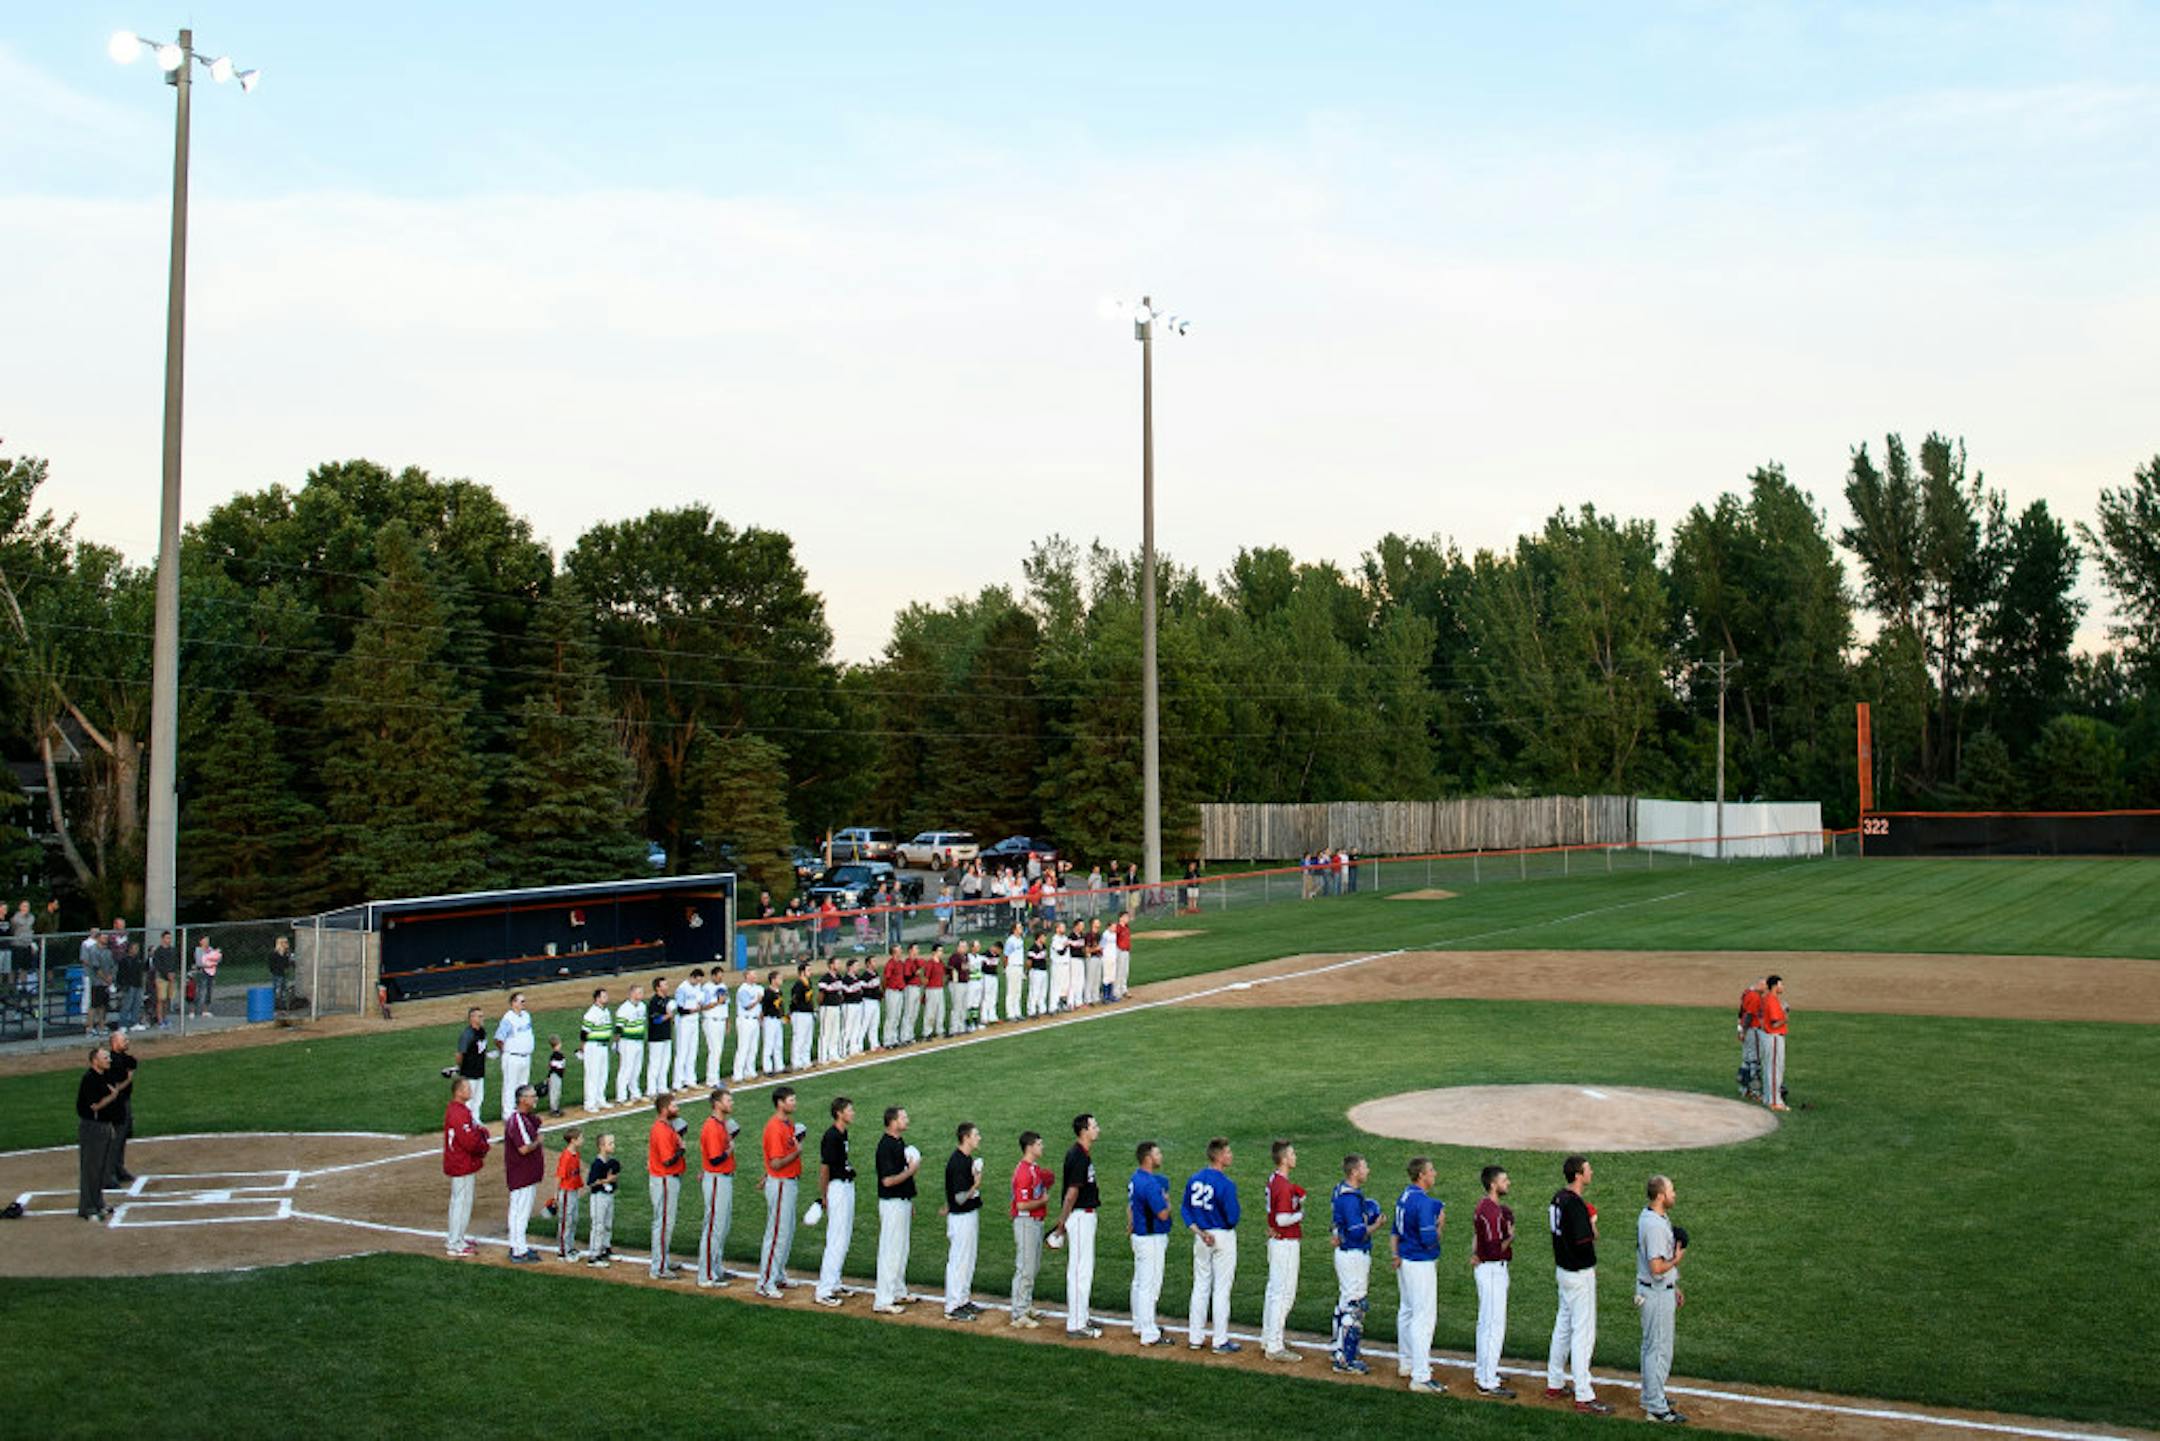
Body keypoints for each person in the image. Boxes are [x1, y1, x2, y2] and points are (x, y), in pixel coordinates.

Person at [1544, 1154, 1611, 1413]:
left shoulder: (1557, 1199)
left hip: (1563, 1271)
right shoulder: (1575, 1205)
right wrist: (1593, 1223)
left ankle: (1555, 1382)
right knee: (1583, 1334)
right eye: (1588, 1169)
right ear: (1578, 1174)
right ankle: (1584, 1394)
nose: (1591, 1172)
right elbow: (1587, 1240)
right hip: (1579, 1274)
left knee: (1563, 1327)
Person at [1392, 1155, 1447, 1394]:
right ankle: (1420, 1376)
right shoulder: (1424, 1203)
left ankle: (1407, 1362)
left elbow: (1395, 1231)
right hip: (1420, 1263)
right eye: (1431, 1170)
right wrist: (1440, 1224)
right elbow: (1429, 1240)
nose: (1434, 1174)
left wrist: (1395, 1254)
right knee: (1423, 1317)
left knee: (1407, 1311)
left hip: (1404, 1261)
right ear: (1422, 1175)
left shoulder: (1403, 1197)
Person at [1181, 1136, 1241, 1353]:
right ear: (1218, 1156)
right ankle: (1219, 1340)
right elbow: (1233, 1217)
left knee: (1200, 1286)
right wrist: (1216, 1230)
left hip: (1200, 1236)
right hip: (1222, 1237)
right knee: (1222, 1290)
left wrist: (1200, 1232)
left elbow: (1185, 1210)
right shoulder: (1225, 1184)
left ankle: (1195, 1338)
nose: (1231, 1155)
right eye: (1228, 1152)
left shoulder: (1194, 1179)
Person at [1637, 1174, 1689, 1424]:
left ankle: (1651, 1396)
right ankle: (1656, 1408)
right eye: (1671, 1190)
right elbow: (1657, 1267)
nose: (1674, 1194)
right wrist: (1676, 1261)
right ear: (1660, 1196)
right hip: (1655, 1293)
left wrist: (1674, 1285)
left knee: (1652, 1348)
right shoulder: (1655, 1226)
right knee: (1658, 1351)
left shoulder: (1655, 1216)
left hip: (1658, 1290)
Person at [1049, 1112, 1104, 1338]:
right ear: (1084, 1131)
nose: (1097, 1129)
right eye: (1094, 1125)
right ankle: (1076, 1324)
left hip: (1083, 1216)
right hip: (1080, 1217)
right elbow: (1072, 1193)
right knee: (1080, 1271)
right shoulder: (1078, 1156)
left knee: (1082, 1269)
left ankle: (1081, 1315)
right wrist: (1062, 1224)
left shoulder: (1080, 1153)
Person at [1329, 1153, 1382, 1375]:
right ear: (1354, 1172)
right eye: (1364, 1167)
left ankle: (1338, 1348)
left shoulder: (1340, 1190)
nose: (1367, 1171)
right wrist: (1377, 1224)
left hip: (1344, 1253)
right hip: (1353, 1255)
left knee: (1345, 1301)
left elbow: (1337, 1224)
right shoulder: (1350, 1199)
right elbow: (1358, 1233)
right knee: (1355, 1304)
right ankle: (1346, 1359)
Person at [1473, 1164, 1518, 1398]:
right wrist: (1510, 1236)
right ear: (1493, 1184)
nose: (1507, 1183)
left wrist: (1475, 1253)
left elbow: (1477, 1238)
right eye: (1504, 1179)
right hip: (1492, 1270)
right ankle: (1487, 1381)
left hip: (1487, 1269)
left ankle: (1483, 1372)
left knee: (1485, 1324)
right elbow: (1492, 1250)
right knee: (1493, 1326)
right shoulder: (1491, 1211)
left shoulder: (1484, 1206)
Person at [756, 1086, 805, 1297]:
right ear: (780, 1103)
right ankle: (764, 1283)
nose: (794, 1103)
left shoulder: (787, 1124)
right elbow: (776, 1163)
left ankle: (777, 1275)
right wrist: (797, 1153)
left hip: (788, 1183)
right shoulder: (775, 1127)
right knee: (776, 1234)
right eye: (791, 1100)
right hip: (781, 1183)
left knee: (786, 1231)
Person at [1261, 1139, 1307, 1363]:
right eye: (1292, 1153)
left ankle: (1268, 1338)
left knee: (1273, 1292)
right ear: (1284, 1159)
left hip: (1276, 1242)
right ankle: (1274, 1346)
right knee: (1284, 1295)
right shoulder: (1283, 1185)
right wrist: (1300, 1215)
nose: (1295, 1156)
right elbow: (1282, 1219)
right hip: (1285, 1243)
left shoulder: (1274, 1180)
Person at [873, 1105, 921, 1313]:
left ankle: (898, 1290)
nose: (907, 1120)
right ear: (893, 1122)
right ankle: (883, 1300)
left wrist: (909, 1201)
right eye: (903, 1117)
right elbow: (887, 1181)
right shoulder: (886, 1146)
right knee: (891, 1250)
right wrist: (911, 1171)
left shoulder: (898, 1142)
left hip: (901, 1202)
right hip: (892, 1203)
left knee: (901, 1249)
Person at [1127, 1139, 1174, 1345]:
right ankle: (1149, 1332)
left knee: (1139, 1283)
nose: (1160, 1156)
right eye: (1157, 1153)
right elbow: (1163, 1214)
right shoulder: (1150, 1184)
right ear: (1148, 1158)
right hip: (1151, 1239)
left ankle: (1139, 1324)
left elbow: (1130, 1208)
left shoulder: (1135, 1178)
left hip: (1139, 1236)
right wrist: (1168, 1202)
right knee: (1150, 1285)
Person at [814, 1095, 858, 1307]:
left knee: (844, 1235)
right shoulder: (831, 1136)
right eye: (849, 1110)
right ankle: (824, 1290)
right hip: (837, 1189)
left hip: (846, 1186)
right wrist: (824, 1196)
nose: (853, 1113)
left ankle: (834, 1282)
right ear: (839, 1113)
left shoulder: (842, 1133)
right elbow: (825, 1169)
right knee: (836, 1238)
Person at [943, 1122, 986, 1321]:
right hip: (961, 1218)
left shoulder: (966, 1160)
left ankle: (963, 1299)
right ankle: (952, 1305)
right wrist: (976, 1184)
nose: (979, 1138)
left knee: (968, 1260)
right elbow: (960, 1198)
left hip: (967, 1215)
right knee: (959, 1260)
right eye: (976, 1135)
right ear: (966, 1137)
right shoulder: (958, 1162)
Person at [1009, 1130, 1052, 1328]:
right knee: (1025, 1268)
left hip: (1035, 1222)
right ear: (1030, 1147)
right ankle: (1018, 1313)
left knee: (1032, 1267)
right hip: (1026, 1222)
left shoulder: (1033, 1169)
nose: (1042, 1147)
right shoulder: (1024, 1172)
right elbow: (1021, 1205)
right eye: (1039, 1144)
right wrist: (1042, 1200)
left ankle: (1025, 1305)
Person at [442, 1076, 489, 1258]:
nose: (470, 1090)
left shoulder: (459, 1110)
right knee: (461, 1204)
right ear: (459, 1092)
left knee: (460, 1202)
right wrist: (483, 1147)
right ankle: (455, 1244)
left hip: (461, 1162)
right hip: (461, 1163)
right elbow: (469, 1142)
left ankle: (457, 1238)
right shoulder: (458, 1113)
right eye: (467, 1088)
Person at [697, 1087, 739, 1288]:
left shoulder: (721, 1125)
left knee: (722, 1225)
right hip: (716, 1179)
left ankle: (716, 1267)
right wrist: (730, 1149)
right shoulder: (712, 1127)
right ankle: (705, 1275)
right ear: (717, 1104)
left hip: (723, 1179)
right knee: (713, 1226)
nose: (731, 1103)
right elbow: (714, 1159)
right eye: (728, 1100)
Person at [75, 1046, 121, 1221]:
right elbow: (94, 1106)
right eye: (105, 1058)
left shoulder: (104, 1076)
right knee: (91, 1169)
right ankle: (87, 1208)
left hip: (104, 1126)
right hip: (92, 1127)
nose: (109, 1060)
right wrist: (112, 1097)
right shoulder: (89, 1079)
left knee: (101, 1168)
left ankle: (98, 1203)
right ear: (95, 1061)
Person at [646, 1091, 688, 1279]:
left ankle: (663, 1259)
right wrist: (681, 1150)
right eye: (673, 1106)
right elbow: (667, 1161)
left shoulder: (666, 1126)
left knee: (665, 1223)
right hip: (664, 1179)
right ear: (664, 1110)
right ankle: (659, 1268)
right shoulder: (661, 1130)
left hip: (667, 1179)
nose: (677, 1108)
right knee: (663, 1224)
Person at [504, 1084, 545, 1263]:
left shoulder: (525, 1118)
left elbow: (537, 1121)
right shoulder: (517, 1121)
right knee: (519, 1212)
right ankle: (517, 1250)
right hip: (522, 1175)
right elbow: (523, 1148)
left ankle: (518, 1246)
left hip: (526, 1174)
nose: (535, 1098)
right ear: (522, 1099)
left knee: (520, 1211)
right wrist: (538, 1142)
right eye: (532, 1096)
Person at [102, 1028, 138, 1187]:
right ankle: (108, 1175)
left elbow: (132, 1062)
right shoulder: (111, 1062)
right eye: (124, 1041)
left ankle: (118, 1168)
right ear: (115, 1043)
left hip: (124, 1101)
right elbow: (116, 1086)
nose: (127, 1043)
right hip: (115, 1104)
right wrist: (128, 1079)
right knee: (115, 1138)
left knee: (123, 1135)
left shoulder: (122, 1059)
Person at [493, 993, 536, 1123]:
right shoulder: (508, 1019)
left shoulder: (526, 1016)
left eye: (524, 1001)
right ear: (514, 1003)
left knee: (523, 1085)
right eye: (521, 1001)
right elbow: (498, 1038)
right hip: (512, 1057)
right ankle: (508, 1114)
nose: (524, 1003)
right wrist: (504, 1051)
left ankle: (521, 1111)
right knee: (510, 1085)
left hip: (525, 1057)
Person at [585, 1132, 620, 1266]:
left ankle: (606, 1248)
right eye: (610, 1143)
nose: (613, 1145)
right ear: (601, 1146)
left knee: (607, 1224)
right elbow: (591, 1182)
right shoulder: (597, 1163)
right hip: (598, 1197)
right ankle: (594, 1256)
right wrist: (607, 1180)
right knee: (598, 1225)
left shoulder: (610, 1162)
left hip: (608, 1196)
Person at [578, 989, 614, 1113]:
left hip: (604, 1046)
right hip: (593, 1046)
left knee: (603, 1073)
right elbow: (584, 1032)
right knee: (592, 1075)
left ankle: (600, 1099)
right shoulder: (591, 1013)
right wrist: (582, 1047)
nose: (607, 997)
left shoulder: (606, 1011)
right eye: (604, 996)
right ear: (597, 998)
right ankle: (589, 1103)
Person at [552, 1127, 585, 1262]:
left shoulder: (575, 1154)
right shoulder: (565, 1157)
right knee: (566, 1220)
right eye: (581, 1138)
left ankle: (569, 1246)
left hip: (573, 1190)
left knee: (573, 1219)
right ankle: (562, 1251)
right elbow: (559, 1177)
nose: (583, 1140)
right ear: (573, 1140)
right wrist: (556, 1194)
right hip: (566, 1192)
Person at [613, 985, 648, 1105]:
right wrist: (616, 1042)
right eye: (638, 992)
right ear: (632, 994)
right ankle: (621, 1097)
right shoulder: (624, 1009)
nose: (641, 994)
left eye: (641, 992)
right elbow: (618, 1028)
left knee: (636, 1068)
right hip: (627, 1041)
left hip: (638, 1041)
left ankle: (635, 1094)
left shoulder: (642, 1006)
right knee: (626, 1068)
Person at [673, 969, 706, 1091]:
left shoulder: (698, 987)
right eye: (697, 980)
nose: (699, 982)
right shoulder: (682, 988)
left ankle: (690, 1079)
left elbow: (700, 1001)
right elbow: (680, 1009)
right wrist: (694, 1010)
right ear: (692, 977)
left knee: (693, 1050)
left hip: (694, 1021)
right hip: (684, 1022)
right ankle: (678, 1083)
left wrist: (698, 1008)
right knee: (682, 1051)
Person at [1761, 975, 1791, 1111]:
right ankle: (1775, 1102)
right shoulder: (1772, 1000)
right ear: (1774, 986)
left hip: (1769, 1037)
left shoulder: (1767, 998)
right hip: (1774, 1037)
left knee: (1769, 1068)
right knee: (1775, 1069)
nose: (1782, 987)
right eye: (1781, 984)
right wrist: (1786, 1016)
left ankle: (1768, 1098)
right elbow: (1775, 1023)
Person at [454, 1007, 489, 1120]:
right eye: (479, 1016)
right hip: (469, 1073)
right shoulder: (467, 1035)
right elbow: (459, 1054)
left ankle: (476, 1119)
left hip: (480, 1071)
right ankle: (467, 1121)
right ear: (472, 1018)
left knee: (479, 1098)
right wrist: (461, 1068)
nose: (482, 1018)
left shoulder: (482, 1031)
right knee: (469, 1099)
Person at [644, 977, 677, 1098]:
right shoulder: (654, 1002)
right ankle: (651, 1090)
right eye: (665, 985)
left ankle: (662, 1087)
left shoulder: (668, 1000)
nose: (667, 987)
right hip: (656, 1037)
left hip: (666, 1035)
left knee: (665, 1063)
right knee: (655, 1064)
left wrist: (670, 1017)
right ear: (658, 987)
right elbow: (655, 1020)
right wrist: (668, 1016)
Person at [699, 968, 730, 1088]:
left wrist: (727, 1022)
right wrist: (718, 1002)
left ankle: (715, 1078)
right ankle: (712, 1079)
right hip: (711, 1021)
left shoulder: (724, 986)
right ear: (712, 976)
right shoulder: (706, 988)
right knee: (714, 1050)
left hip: (721, 1020)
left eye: (721, 976)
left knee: (719, 1050)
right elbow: (703, 1006)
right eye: (718, 976)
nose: (720, 978)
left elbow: (726, 1005)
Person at [1736, 978, 1765, 1101]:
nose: (1765, 988)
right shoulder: (1755, 997)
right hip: (1752, 1031)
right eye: (1764, 985)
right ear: (1758, 985)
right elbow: (1748, 1015)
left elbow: (1741, 1012)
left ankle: (1744, 1089)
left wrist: (1740, 1029)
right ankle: (1755, 1092)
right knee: (1754, 1061)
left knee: (1746, 1060)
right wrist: (1744, 1030)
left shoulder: (1747, 992)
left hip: (1746, 1031)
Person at [114, 927, 146, 1032]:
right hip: (129, 985)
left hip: (138, 984)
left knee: (137, 1005)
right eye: (134, 948)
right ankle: (122, 1024)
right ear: (130, 949)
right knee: (126, 1005)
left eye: (137, 948)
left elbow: (143, 970)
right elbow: (121, 973)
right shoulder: (125, 960)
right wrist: (122, 985)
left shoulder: (138, 960)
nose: (136, 950)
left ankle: (134, 1022)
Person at [733, 972, 763, 1082]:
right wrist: (757, 1000)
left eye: (755, 975)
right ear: (747, 977)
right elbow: (746, 1006)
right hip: (745, 1020)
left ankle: (750, 1071)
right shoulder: (743, 990)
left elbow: (760, 1006)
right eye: (752, 976)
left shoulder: (758, 988)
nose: (755, 977)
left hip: (755, 1020)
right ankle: (738, 1074)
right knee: (743, 1047)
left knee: (753, 1047)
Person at [816, 959, 846, 1065]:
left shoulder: (839, 977)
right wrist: (820, 1006)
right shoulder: (825, 979)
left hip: (836, 1007)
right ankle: (822, 1057)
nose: (839, 965)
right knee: (825, 1032)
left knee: (835, 1032)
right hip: (827, 1007)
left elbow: (840, 992)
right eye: (837, 963)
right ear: (831, 965)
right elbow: (820, 995)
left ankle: (833, 1054)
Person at [149, 930, 178, 1029]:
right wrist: (166, 974)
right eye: (167, 938)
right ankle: (160, 1020)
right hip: (161, 978)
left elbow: (175, 963)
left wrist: (173, 973)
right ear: (162, 939)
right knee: (161, 999)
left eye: (170, 938)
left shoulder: (173, 950)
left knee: (168, 999)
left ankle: (165, 1018)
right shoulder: (158, 951)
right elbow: (158, 965)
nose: (169, 940)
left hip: (171, 978)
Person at [789, 964, 816, 1071]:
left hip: (808, 1013)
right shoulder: (798, 985)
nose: (810, 972)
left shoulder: (808, 983)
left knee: (807, 1039)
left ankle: (806, 1060)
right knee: (799, 1038)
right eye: (808, 970)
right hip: (799, 1014)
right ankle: (796, 1062)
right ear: (802, 972)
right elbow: (794, 1000)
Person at [759, 970, 786, 1073]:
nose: (781, 980)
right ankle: (767, 1068)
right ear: (773, 980)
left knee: (778, 1044)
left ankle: (779, 1066)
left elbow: (780, 1006)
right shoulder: (767, 992)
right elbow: (764, 1008)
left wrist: (783, 1016)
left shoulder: (779, 992)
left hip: (777, 1020)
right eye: (779, 978)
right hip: (769, 1019)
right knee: (769, 1044)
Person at [880, 948, 906, 1048]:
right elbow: (885, 979)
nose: (901, 952)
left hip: (899, 992)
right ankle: (887, 1040)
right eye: (899, 950)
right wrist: (885, 990)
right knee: (891, 1016)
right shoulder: (890, 964)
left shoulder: (900, 963)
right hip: (892, 991)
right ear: (894, 952)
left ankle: (894, 1038)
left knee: (897, 1015)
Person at [189, 933, 220, 1018]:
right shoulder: (198, 950)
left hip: (210, 972)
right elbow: (199, 962)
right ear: (201, 941)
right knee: (198, 991)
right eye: (205, 940)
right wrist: (209, 963)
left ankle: (205, 1010)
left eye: (208, 940)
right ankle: (192, 1011)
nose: (207, 942)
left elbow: (216, 959)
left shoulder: (210, 949)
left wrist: (212, 960)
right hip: (201, 972)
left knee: (208, 991)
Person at [921, 946, 948, 1039]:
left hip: (939, 989)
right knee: (930, 1011)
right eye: (939, 951)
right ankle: (927, 1032)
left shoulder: (941, 963)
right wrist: (925, 991)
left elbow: (944, 975)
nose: (941, 952)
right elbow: (926, 979)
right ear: (934, 952)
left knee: (941, 1010)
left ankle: (940, 1030)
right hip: (931, 989)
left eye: (941, 950)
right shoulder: (930, 963)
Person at [1002, 922, 1026, 1020]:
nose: (1021, 929)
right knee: (1011, 990)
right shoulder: (1010, 941)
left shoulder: (1020, 940)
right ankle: (1010, 1013)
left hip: (1019, 966)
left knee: (1018, 990)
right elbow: (1006, 955)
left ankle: (1017, 1011)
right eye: (1019, 927)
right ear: (1014, 929)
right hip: (1012, 966)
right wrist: (1006, 967)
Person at [1025, 927, 1050, 1017]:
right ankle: (1031, 1011)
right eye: (1044, 937)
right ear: (1039, 937)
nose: (1045, 939)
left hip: (1043, 971)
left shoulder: (1043, 947)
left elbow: (1045, 958)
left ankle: (1042, 1009)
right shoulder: (1033, 949)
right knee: (1034, 991)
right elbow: (1029, 962)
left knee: (1043, 991)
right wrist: (1027, 971)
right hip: (1036, 971)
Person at [267, 934, 295, 1009]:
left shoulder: (286, 954)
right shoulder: (274, 954)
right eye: (285, 942)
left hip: (283, 973)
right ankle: (276, 1004)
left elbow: (287, 965)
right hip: (277, 974)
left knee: (284, 990)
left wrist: (289, 959)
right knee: (277, 990)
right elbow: (272, 965)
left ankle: (282, 1005)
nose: (287, 944)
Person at [1111, 912, 1134, 999]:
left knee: (1125, 971)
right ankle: (1116, 991)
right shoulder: (1118, 928)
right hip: (1119, 951)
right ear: (1121, 918)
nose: (1127, 918)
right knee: (1119, 971)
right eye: (1126, 917)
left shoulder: (1127, 927)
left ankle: (1124, 989)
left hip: (1126, 951)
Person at [545, 1036, 567, 1117]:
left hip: (557, 1076)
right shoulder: (556, 1055)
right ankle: (553, 1109)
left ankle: (556, 1108)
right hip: (555, 1076)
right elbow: (554, 1067)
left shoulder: (558, 1054)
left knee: (557, 1092)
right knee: (554, 1092)